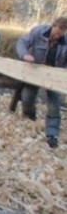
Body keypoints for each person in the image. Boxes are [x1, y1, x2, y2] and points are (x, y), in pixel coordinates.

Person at [16, 17, 67, 148]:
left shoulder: (65, 42)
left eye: (63, 32)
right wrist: (25, 55)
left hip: (54, 74)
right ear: (53, 26)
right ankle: (30, 121)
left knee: (54, 103)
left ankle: (52, 134)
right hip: (35, 71)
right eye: (58, 31)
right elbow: (21, 43)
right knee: (27, 98)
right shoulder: (38, 32)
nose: (59, 35)